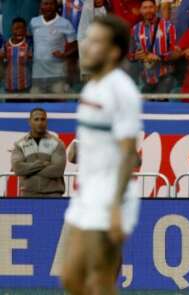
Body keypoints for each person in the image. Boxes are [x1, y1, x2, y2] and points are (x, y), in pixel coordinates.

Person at [61, 15, 142, 294]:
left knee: (100, 282)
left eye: (95, 42)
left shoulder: (122, 92)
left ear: (113, 52)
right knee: (70, 277)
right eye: (87, 39)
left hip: (109, 197)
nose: (85, 46)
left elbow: (129, 154)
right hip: (86, 195)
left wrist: (116, 208)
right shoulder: (91, 86)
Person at [10, 108, 66, 197]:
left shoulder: (57, 143)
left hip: (53, 196)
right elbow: (17, 168)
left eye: (43, 119)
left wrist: (28, 169)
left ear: (46, 122)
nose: (40, 122)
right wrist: (42, 165)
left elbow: (57, 170)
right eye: (36, 119)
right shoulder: (19, 144)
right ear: (29, 121)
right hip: (27, 196)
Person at [129, 0, 179, 93]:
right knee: (144, 107)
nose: (148, 10)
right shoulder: (135, 29)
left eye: (151, 7)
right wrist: (135, 56)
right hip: (144, 78)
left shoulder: (168, 26)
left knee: (162, 105)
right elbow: (130, 55)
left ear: (156, 8)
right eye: (145, 8)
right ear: (140, 10)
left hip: (165, 77)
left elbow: (177, 53)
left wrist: (159, 57)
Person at [30, 0, 78, 94]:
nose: (48, 7)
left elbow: (75, 46)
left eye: (51, 4)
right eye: (46, 4)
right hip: (37, 74)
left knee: (58, 105)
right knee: (36, 105)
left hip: (58, 74)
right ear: (41, 6)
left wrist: (65, 54)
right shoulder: (33, 22)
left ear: (56, 6)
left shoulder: (65, 23)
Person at [0, 17, 33, 93]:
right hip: (9, 86)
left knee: (25, 104)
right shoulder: (5, 45)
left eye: (22, 28)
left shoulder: (29, 45)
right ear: (12, 29)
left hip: (25, 86)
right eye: (16, 28)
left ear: (25, 30)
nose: (19, 31)